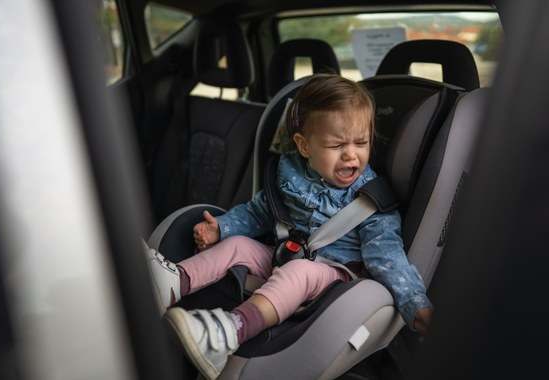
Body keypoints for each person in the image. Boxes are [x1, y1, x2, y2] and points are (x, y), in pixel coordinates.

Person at [145, 73, 433, 380]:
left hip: (334, 277)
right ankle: (173, 281)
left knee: (300, 272)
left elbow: (387, 258)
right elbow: (260, 213)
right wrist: (223, 228)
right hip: (284, 255)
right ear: (304, 146)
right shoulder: (289, 173)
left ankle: (228, 331)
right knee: (238, 246)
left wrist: (415, 304)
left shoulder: (371, 199)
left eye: (361, 143)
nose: (351, 154)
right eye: (337, 144)